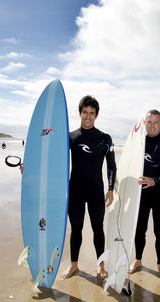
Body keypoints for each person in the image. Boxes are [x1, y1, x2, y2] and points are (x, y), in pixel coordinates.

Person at [60, 95, 116, 280]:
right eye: (85, 112)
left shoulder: (104, 138)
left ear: (96, 115)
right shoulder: (70, 137)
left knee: (97, 228)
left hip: (95, 191)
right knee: (75, 229)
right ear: (79, 113)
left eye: (92, 113)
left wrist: (109, 189)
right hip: (75, 190)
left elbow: (111, 165)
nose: (88, 116)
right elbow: (53, 160)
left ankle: (100, 266)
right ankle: (74, 265)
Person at [128, 110, 160, 280]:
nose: (152, 125)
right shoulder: (138, 143)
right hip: (141, 195)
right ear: (144, 124)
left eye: (155, 122)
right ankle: (138, 260)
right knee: (139, 230)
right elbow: (128, 166)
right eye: (149, 122)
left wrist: (155, 180)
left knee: (159, 231)